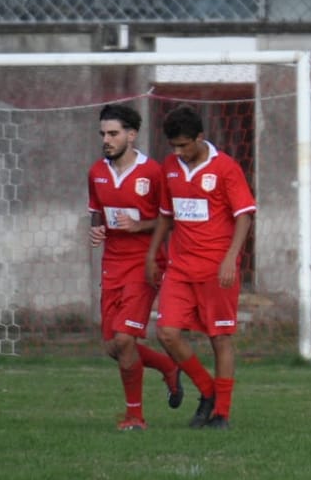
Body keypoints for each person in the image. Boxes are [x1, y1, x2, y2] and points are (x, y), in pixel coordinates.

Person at [146, 105, 256, 430]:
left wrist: (230, 259)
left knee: (219, 338)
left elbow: (244, 216)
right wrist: (153, 254)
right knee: (166, 332)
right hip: (180, 268)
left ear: (200, 137)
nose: (179, 152)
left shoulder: (225, 168)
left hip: (215, 269)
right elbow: (167, 214)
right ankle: (207, 391)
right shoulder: (170, 167)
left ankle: (221, 412)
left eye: (184, 145)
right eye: (174, 146)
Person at [87, 104, 185, 431]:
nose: (106, 139)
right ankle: (168, 367)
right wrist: (97, 227)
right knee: (113, 346)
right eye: (103, 134)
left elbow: (167, 220)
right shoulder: (96, 172)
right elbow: (96, 212)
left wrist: (139, 226)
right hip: (111, 262)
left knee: (125, 339)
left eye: (113, 133)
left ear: (131, 135)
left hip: (144, 262)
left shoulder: (153, 172)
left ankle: (135, 417)